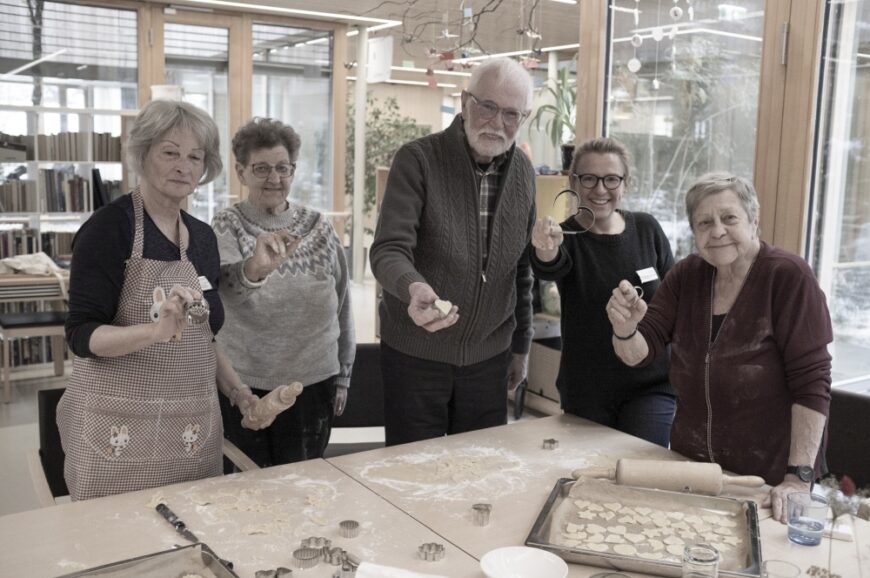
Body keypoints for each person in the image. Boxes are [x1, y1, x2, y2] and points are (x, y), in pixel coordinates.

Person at [58, 100, 283, 501]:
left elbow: (204, 339)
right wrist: (153, 331)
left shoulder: (202, 238)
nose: (184, 166)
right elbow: (81, 335)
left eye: (195, 157)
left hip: (190, 433)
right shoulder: (109, 229)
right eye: (170, 153)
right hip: (118, 431)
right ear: (143, 154)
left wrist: (238, 393)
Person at [607, 172, 832, 522]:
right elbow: (640, 352)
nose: (717, 231)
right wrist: (625, 330)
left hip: (768, 481)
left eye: (729, 218)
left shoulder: (787, 276)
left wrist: (797, 478)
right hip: (692, 468)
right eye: (704, 222)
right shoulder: (686, 275)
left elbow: (812, 383)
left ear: (753, 219)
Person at [370, 57, 536, 446]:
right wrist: (413, 288)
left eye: (511, 114)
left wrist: (521, 347)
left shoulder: (525, 175)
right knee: (411, 477)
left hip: (488, 360)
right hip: (416, 356)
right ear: (465, 101)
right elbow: (388, 250)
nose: (497, 123)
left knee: (476, 476)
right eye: (488, 106)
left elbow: (522, 269)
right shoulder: (419, 160)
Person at [213, 118, 354, 466]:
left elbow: (343, 303)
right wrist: (256, 268)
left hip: (314, 384)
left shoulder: (318, 227)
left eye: (283, 168)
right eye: (261, 168)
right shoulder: (226, 226)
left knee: (303, 487)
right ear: (241, 171)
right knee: (249, 490)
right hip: (245, 387)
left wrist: (344, 374)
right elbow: (224, 293)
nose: (274, 178)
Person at [530, 138, 675, 447]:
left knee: (640, 473)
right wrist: (545, 248)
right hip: (587, 390)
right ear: (574, 182)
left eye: (611, 179)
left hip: (650, 384)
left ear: (626, 184)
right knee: (590, 482)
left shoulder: (647, 229)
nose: (600, 189)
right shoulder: (566, 236)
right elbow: (548, 265)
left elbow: (675, 297)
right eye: (589, 179)